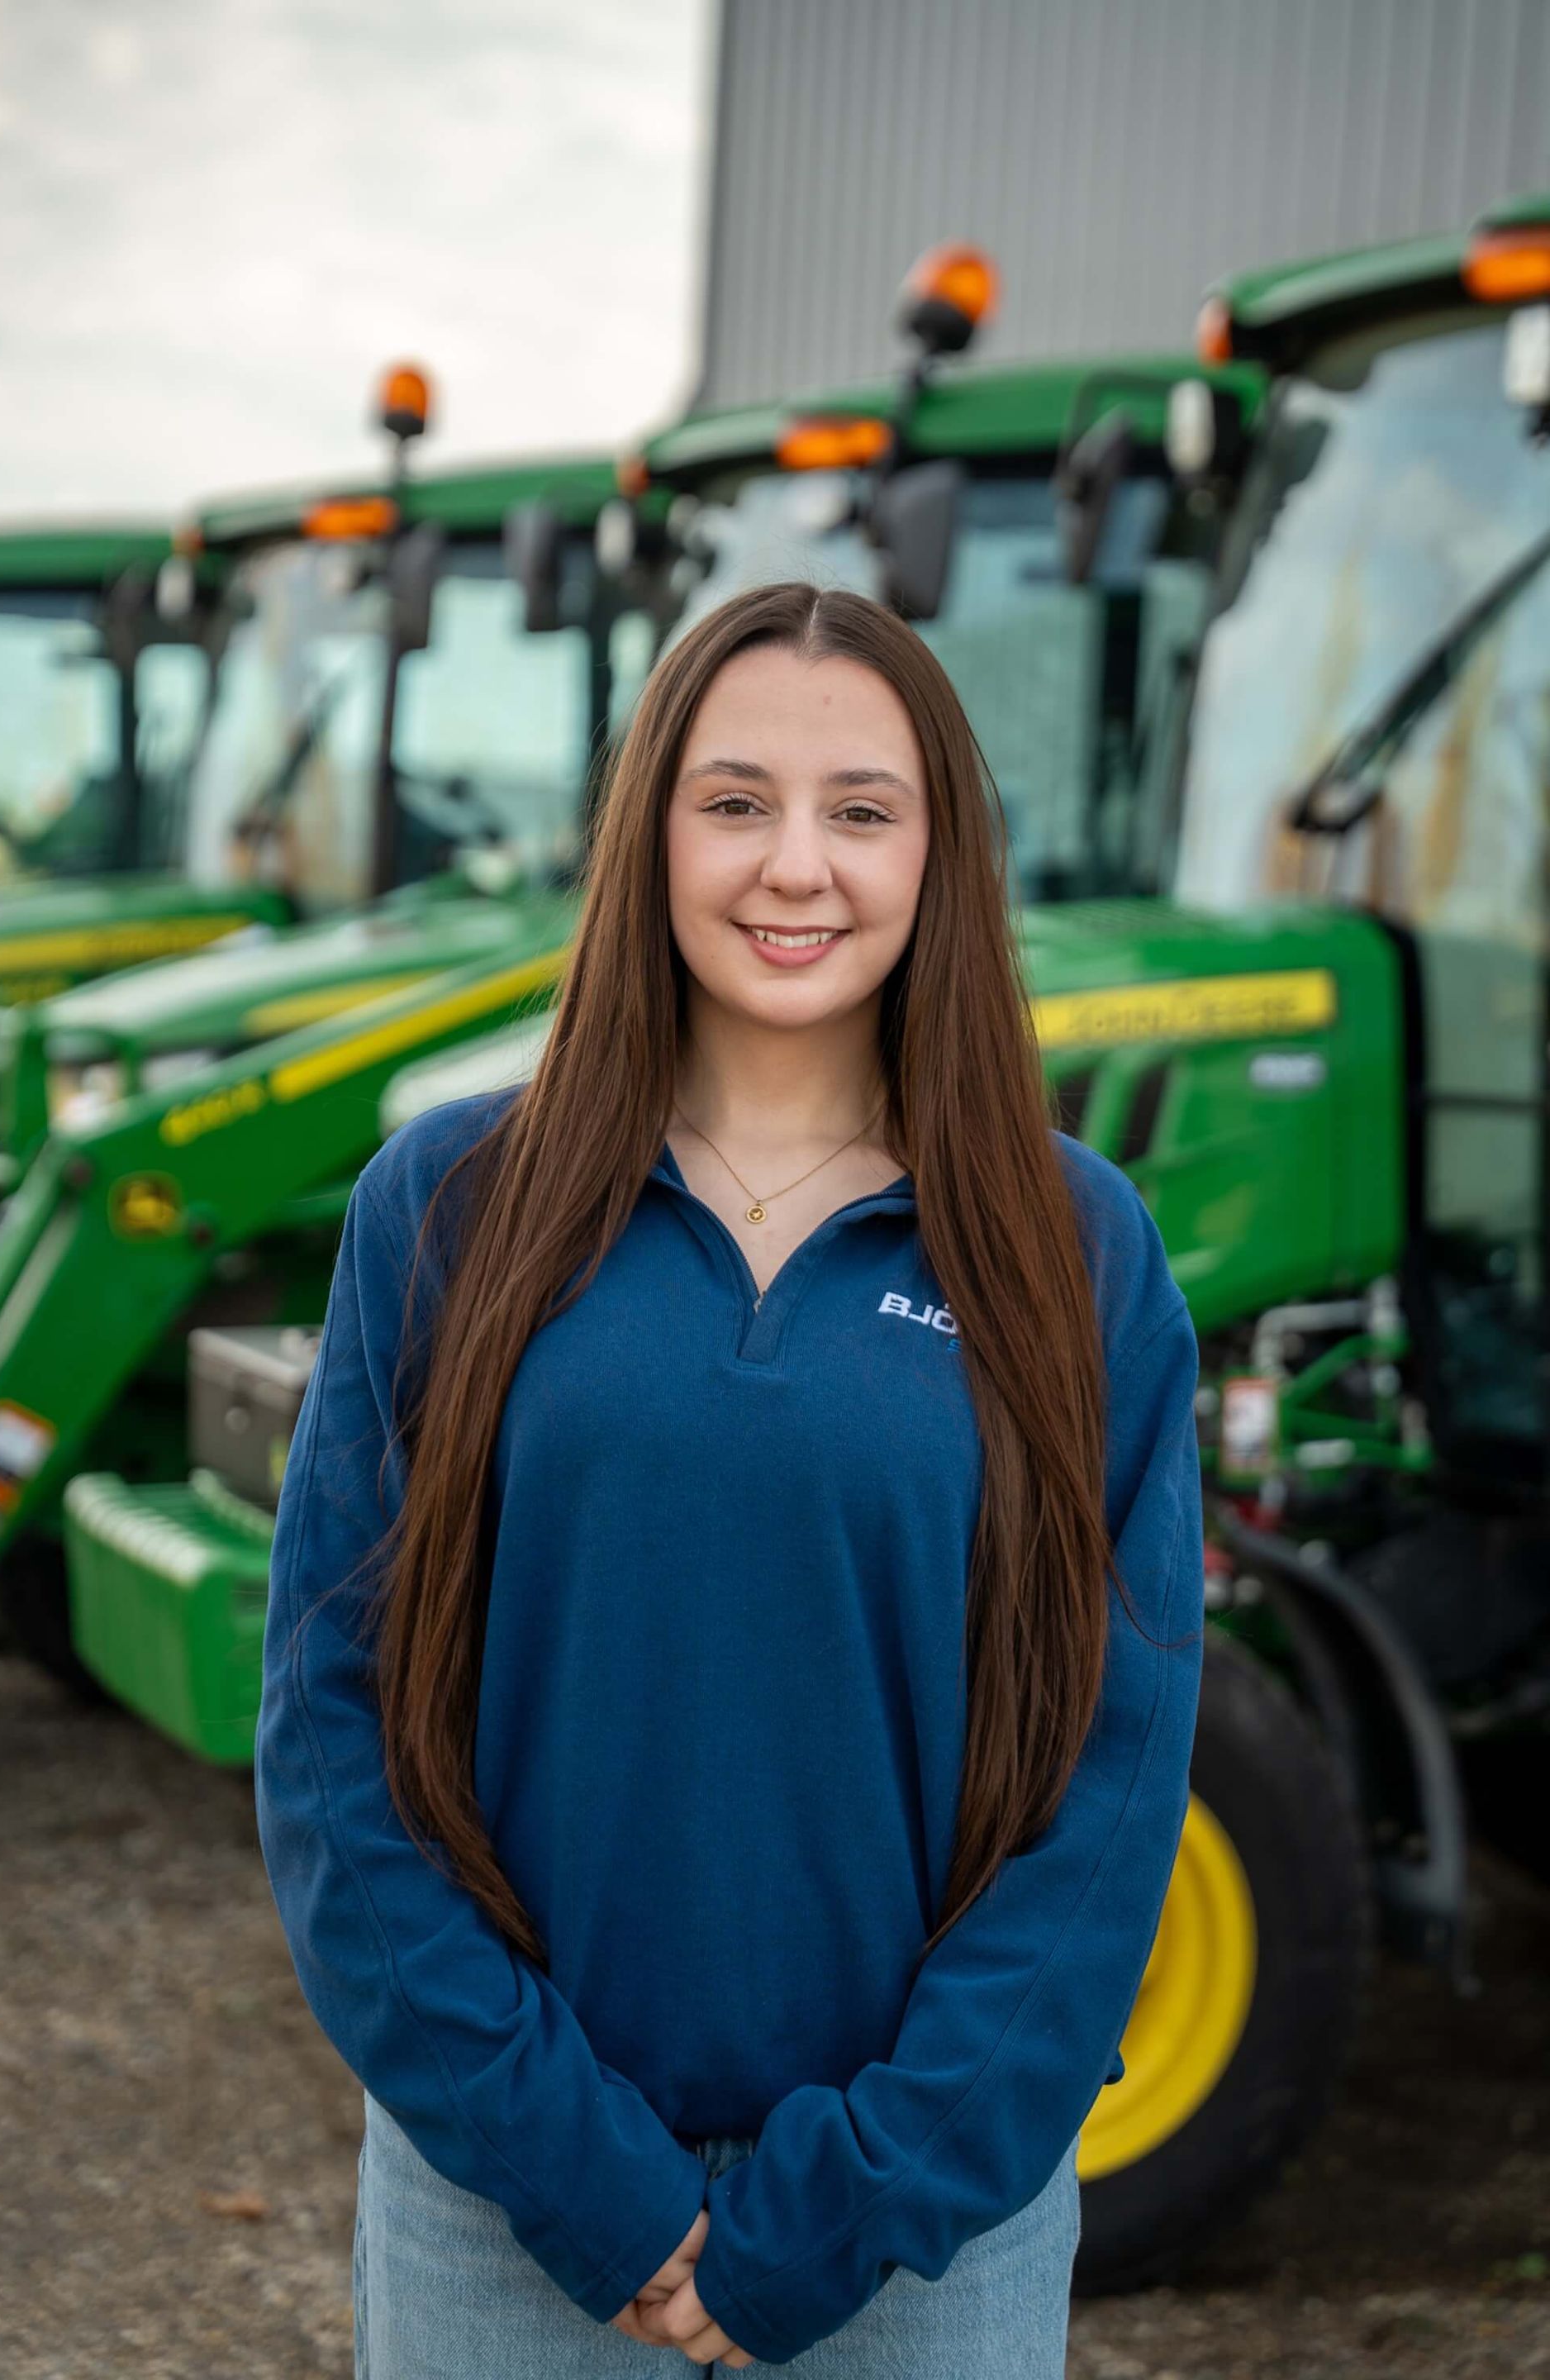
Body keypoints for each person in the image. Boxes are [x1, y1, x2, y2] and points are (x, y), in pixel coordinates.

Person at [254, 580, 1205, 2376]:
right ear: (650, 834)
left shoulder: (1074, 1249)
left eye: (862, 811)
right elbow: (328, 1723)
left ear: (941, 856)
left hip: (922, 2240)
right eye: (735, 801)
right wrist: (579, 2173)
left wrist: (855, 2197)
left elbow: (1114, 1771)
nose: (797, 867)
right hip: (507, 2217)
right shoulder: (450, 1205)